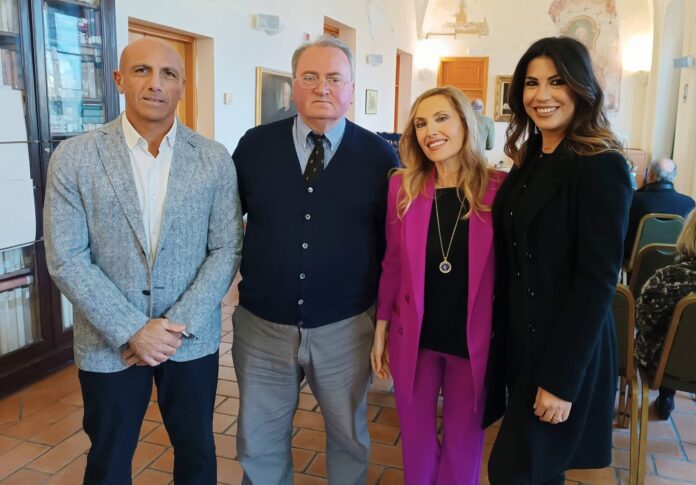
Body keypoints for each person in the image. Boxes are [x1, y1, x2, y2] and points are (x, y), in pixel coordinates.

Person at [43, 38, 243, 484]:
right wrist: (132, 329)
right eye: (141, 71)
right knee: (109, 457)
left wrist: (173, 328)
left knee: (196, 451)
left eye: (168, 74)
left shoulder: (213, 158)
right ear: (119, 79)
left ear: (182, 86)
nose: (156, 84)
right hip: (108, 341)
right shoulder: (74, 158)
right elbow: (66, 257)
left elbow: (226, 249)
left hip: (189, 338)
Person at [231, 35, 399, 484]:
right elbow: (224, 225)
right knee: (259, 439)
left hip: (346, 328)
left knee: (348, 437)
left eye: (334, 78)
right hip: (263, 327)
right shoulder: (255, 146)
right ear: (293, 85)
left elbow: (392, 249)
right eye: (310, 76)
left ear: (351, 88)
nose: (322, 87)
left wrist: (385, 323)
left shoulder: (379, 157)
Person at [485, 36, 632, 485]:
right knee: (539, 471)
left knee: (515, 471)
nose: (542, 95)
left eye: (556, 81)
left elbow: (597, 281)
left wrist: (561, 380)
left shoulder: (601, 165)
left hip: (564, 349)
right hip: (524, 340)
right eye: (531, 83)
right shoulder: (532, 156)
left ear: (581, 88)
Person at [371, 86, 504, 484]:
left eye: (441, 118)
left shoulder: (498, 189)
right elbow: (392, 264)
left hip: (472, 340)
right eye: (421, 123)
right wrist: (380, 328)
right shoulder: (403, 188)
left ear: (465, 122)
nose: (431, 131)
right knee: (416, 439)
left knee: (464, 443)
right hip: (414, 337)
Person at [635, 208, 696, 420]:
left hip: (663, 365)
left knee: (665, 336)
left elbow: (642, 322)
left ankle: (666, 396)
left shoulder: (667, 279)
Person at [624, 158, 695, 258]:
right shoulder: (689, 203)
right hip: (675, 261)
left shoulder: (633, 199)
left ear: (650, 175)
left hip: (635, 260)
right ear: (674, 176)